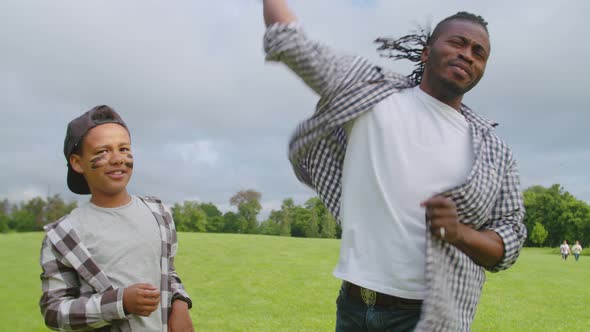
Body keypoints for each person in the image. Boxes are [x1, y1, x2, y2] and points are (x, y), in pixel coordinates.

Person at [262, 1, 527, 331]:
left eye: (479, 52)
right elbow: (291, 42)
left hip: (428, 318)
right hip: (353, 308)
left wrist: (461, 234)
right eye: (457, 42)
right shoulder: (369, 92)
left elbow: (510, 237)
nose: (468, 55)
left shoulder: (493, 151)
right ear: (426, 52)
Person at [39, 105, 194, 331]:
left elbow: (167, 272)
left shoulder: (159, 212)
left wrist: (180, 303)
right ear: (77, 162)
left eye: (124, 149)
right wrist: (119, 303)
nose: (117, 159)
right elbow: (54, 312)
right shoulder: (62, 235)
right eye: (102, 151)